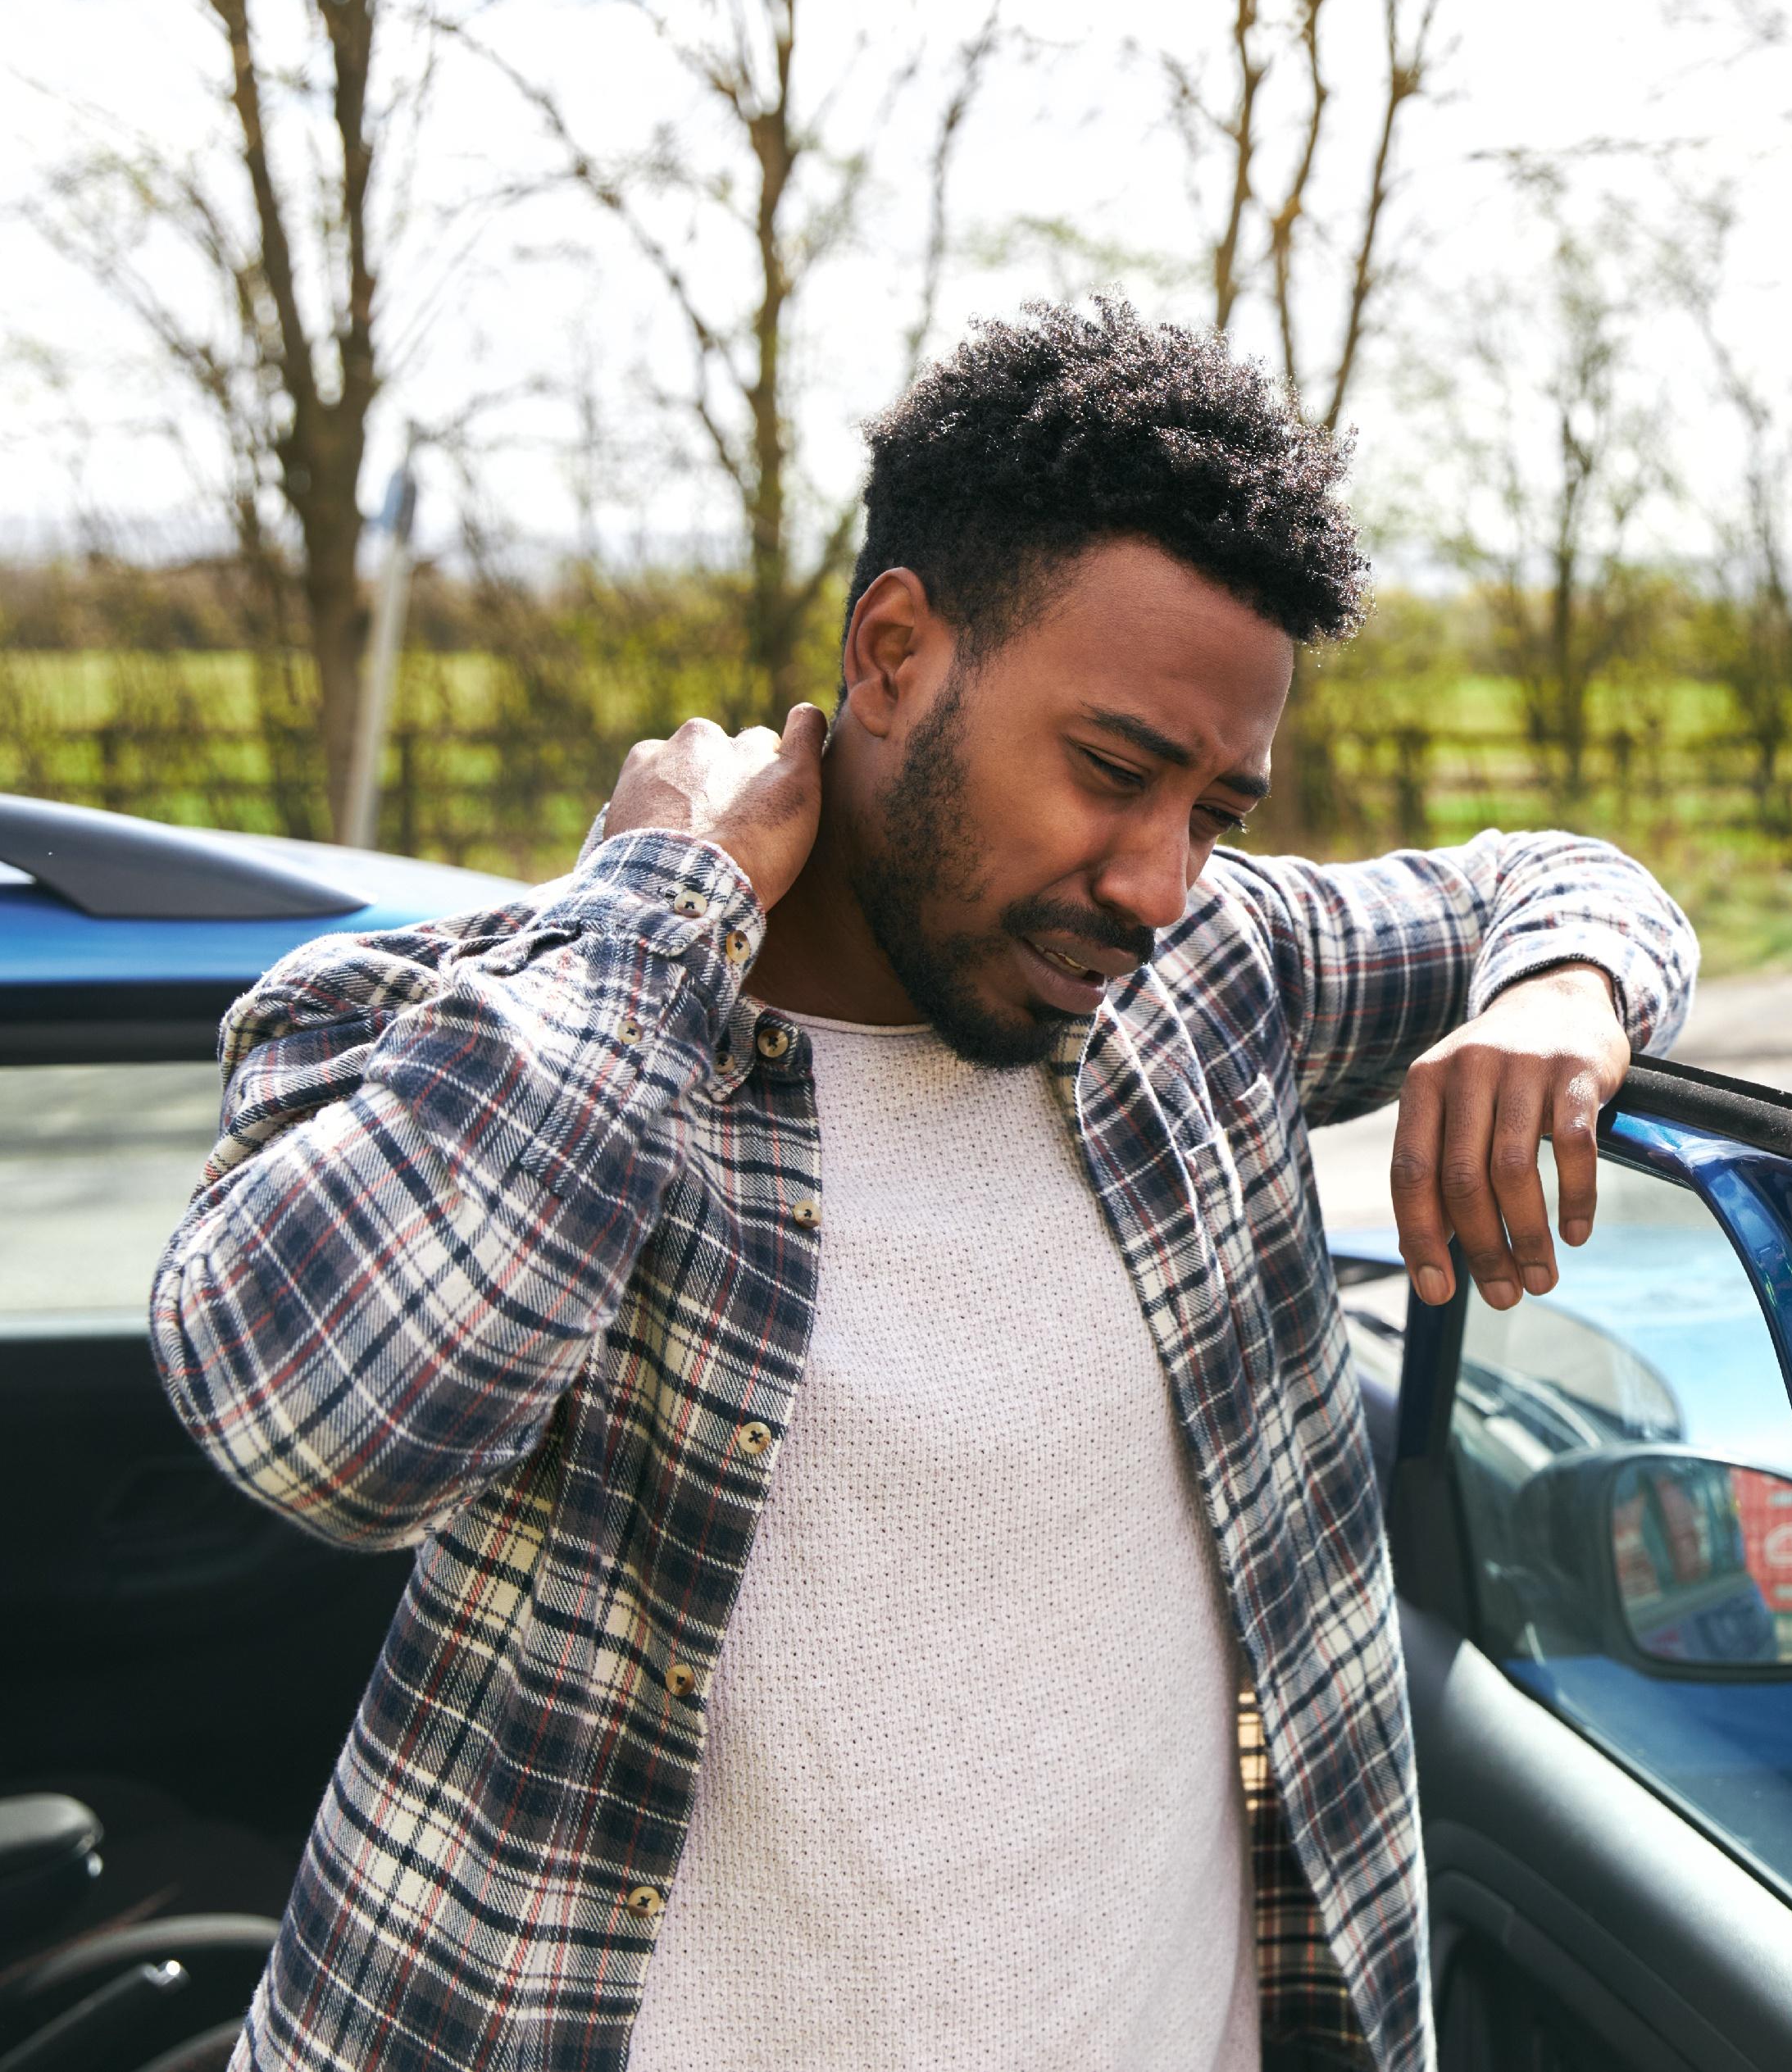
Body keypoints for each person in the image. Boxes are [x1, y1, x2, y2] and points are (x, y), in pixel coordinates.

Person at [148, 303, 1699, 2072]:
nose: (1159, 879)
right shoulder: (468, 1022)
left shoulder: (1208, 986)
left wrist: (1562, 997)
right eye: (1113, 771)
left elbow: (1569, 878)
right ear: (894, 650)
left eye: (1218, 810)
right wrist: (662, 910)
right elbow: (326, 1423)